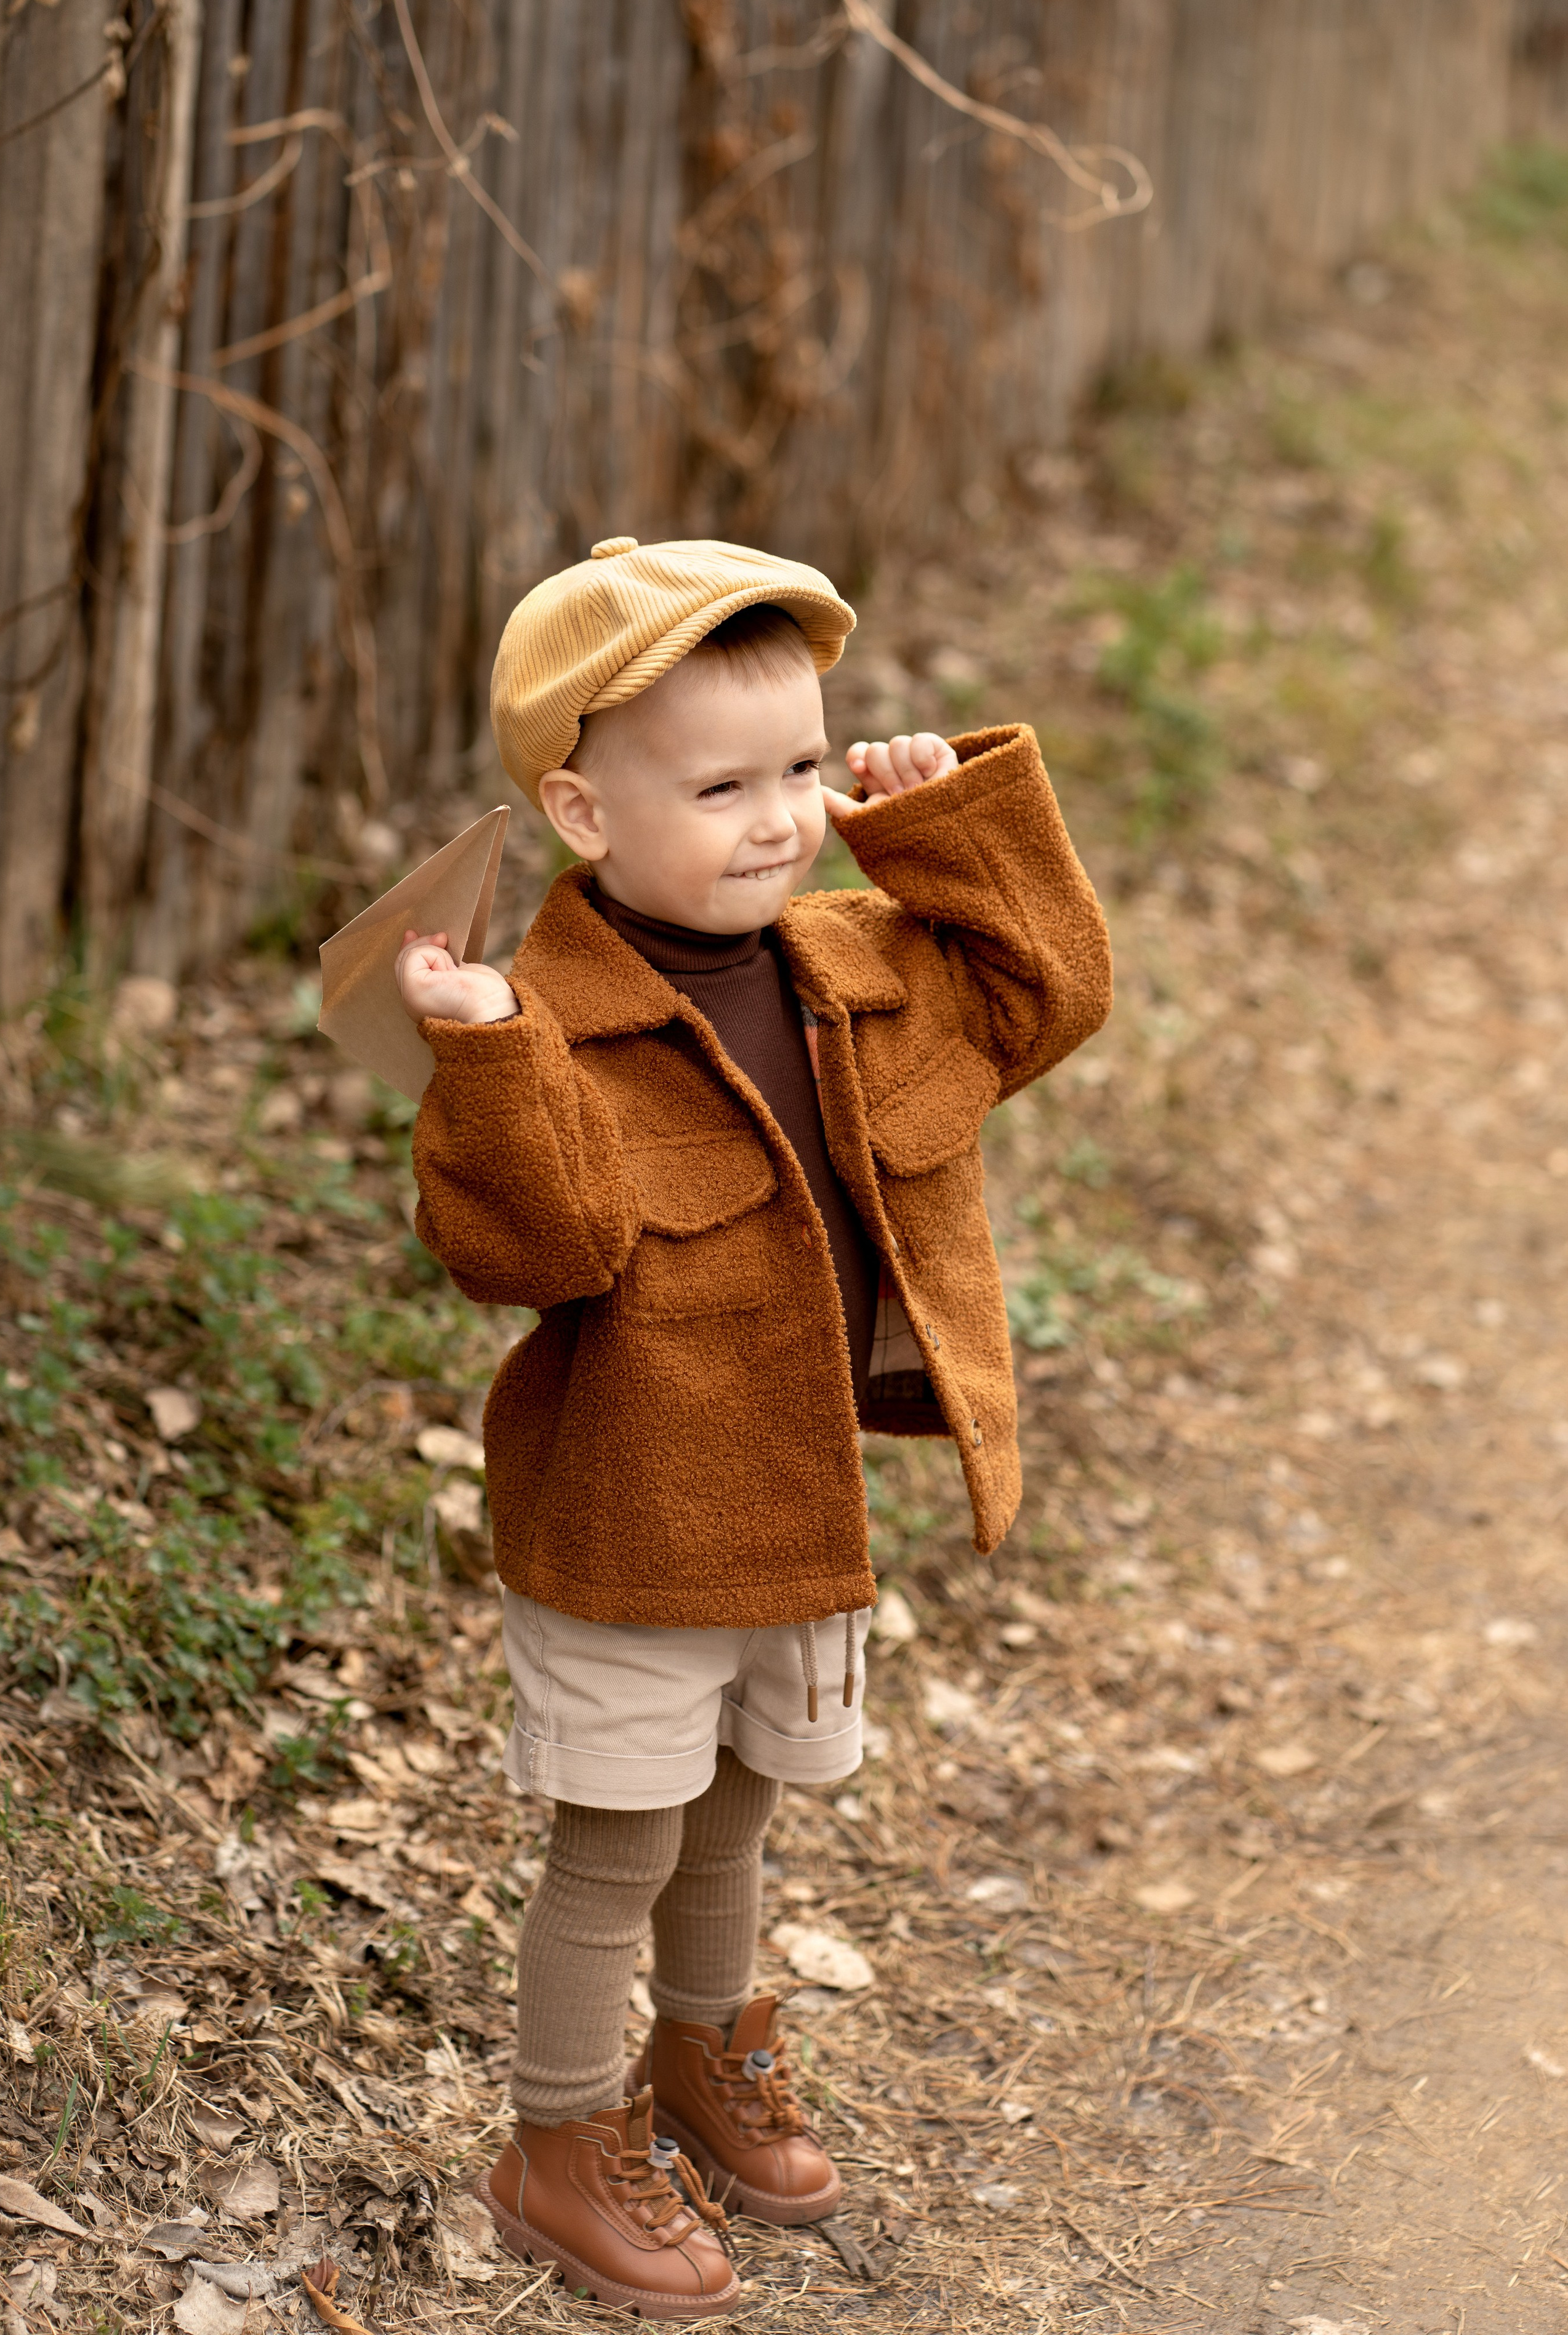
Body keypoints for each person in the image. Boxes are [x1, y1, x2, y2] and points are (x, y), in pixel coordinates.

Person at [394, 536, 1112, 2317]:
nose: (781, 816)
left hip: (791, 1511)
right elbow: (529, 1249)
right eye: (721, 787)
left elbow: (1048, 997)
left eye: (801, 767)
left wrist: (943, 829)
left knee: (735, 1819)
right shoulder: (547, 1018)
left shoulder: (853, 959)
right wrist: (483, 1054)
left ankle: (706, 2060)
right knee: (619, 1840)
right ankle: (560, 2140)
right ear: (578, 808)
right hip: (632, 1521)